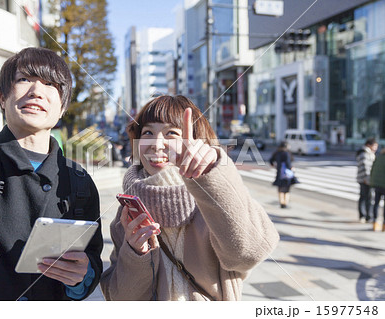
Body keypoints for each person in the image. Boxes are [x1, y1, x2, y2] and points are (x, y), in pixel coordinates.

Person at [0, 47, 103, 300]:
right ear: (3, 98)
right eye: (24, 79)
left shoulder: (79, 180)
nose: (36, 91)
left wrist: (82, 275)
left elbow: (90, 258)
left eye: (50, 83)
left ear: (62, 108)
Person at [100, 95, 279, 301]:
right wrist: (135, 254)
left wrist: (213, 174)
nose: (157, 144)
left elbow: (248, 255)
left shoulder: (215, 197)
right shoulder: (129, 212)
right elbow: (119, 298)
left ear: (197, 142)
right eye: (148, 132)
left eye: (171, 133)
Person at [269, 141, 298, 208]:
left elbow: (271, 160)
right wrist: (291, 168)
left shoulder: (276, 153)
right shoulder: (287, 153)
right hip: (286, 174)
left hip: (279, 173)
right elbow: (288, 163)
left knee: (280, 188)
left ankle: (281, 202)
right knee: (287, 189)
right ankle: (285, 203)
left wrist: (276, 166)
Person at [356, 138, 379, 223]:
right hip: (365, 179)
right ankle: (366, 216)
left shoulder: (366, 153)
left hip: (363, 178)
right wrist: (367, 178)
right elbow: (365, 168)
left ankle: (364, 215)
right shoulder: (364, 154)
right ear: (369, 145)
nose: (376, 148)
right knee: (367, 198)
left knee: (364, 197)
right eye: (375, 146)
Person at [369, 141, 385, 231]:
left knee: (376, 204)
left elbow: (373, 170)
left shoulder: (379, 156)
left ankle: (375, 222)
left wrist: (372, 182)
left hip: (377, 184)